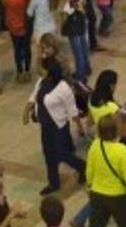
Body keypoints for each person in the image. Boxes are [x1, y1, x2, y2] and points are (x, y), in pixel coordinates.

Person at [26, 57, 86, 196]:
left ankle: (83, 167)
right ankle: (53, 183)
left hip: (59, 127)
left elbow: (72, 110)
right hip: (45, 125)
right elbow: (34, 96)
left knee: (63, 154)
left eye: (41, 67)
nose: (38, 69)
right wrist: (26, 111)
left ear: (48, 71)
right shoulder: (41, 82)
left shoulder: (63, 88)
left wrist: (79, 126)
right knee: (48, 154)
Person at [84, 115, 126, 227]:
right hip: (119, 197)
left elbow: (89, 170)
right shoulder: (121, 149)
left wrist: (90, 185)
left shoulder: (95, 145)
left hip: (98, 195)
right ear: (115, 130)